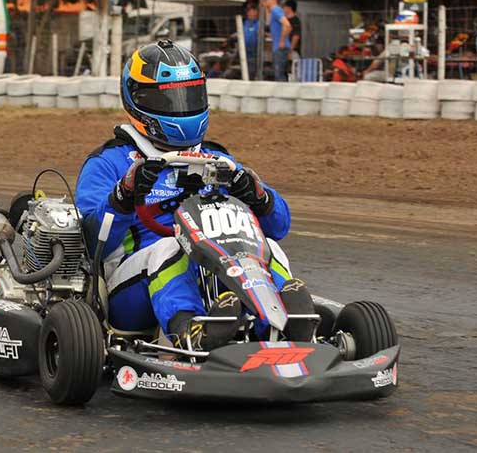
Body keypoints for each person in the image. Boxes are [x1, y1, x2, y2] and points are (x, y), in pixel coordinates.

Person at [76, 41, 308, 350]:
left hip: (215, 270)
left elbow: (280, 226)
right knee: (170, 248)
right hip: (134, 290)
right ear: (137, 100)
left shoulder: (216, 157)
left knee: (268, 247)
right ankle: (191, 332)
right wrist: (122, 196)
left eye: (188, 95)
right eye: (167, 98)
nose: (179, 106)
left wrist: (258, 195)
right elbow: (91, 242)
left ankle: (283, 323)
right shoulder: (110, 162)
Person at [262, 0, 291, 81]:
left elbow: (287, 25)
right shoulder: (274, 11)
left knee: (278, 73)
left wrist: (281, 40)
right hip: (278, 46)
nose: (266, 0)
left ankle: (283, 93)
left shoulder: (275, 10)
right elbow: (268, 23)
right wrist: (266, 8)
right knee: (278, 72)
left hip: (279, 47)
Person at [243, 4, 260, 79]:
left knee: (251, 70)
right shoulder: (245, 23)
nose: (252, 14)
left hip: (254, 52)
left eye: (254, 12)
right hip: (244, 51)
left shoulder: (258, 23)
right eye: (250, 12)